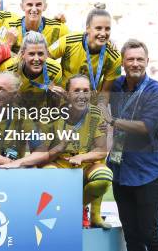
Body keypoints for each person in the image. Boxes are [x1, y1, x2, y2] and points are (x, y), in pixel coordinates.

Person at [104, 39, 158, 251]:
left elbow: (145, 127)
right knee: (131, 234)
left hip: (147, 172)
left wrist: (113, 121)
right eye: (130, 59)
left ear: (147, 61)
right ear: (123, 62)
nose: (135, 63)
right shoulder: (117, 85)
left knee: (149, 233)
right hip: (120, 170)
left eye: (140, 59)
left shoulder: (156, 91)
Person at [46, 74, 112, 229]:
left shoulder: (97, 113)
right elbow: (41, 151)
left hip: (85, 166)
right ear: (67, 94)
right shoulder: (53, 114)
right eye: (76, 91)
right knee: (47, 174)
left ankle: (80, 209)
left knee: (104, 177)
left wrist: (83, 157)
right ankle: (58, 214)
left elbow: (102, 151)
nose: (81, 95)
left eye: (85, 91)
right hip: (60, 165)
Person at [48, 3, 121, 105]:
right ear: (87, 28)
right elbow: (43, 59)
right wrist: (50, 85)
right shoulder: (69, 41)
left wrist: (99, 114)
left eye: (107, 29)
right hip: (63, 100)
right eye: (98, 28)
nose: (103, 33)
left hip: (88, 105)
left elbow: (105, 93)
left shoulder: (114, 57)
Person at [0, 31, 64, 109]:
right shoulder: (8, 68)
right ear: (22, 54)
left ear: (47, 54)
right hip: (14, 109)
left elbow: (54, 105)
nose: (36, 59)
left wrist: (56, 97)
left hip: (39, 110)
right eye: (31, 54)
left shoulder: (55, 69)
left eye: (40, 54)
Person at [5, 0, 69, 53]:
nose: (34, 9)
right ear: (22, 6)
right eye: (29, 4)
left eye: (38, 4)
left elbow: (75, 45)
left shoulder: (58, 29)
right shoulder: (9, 28)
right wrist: (9, 44)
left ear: (45, 6)